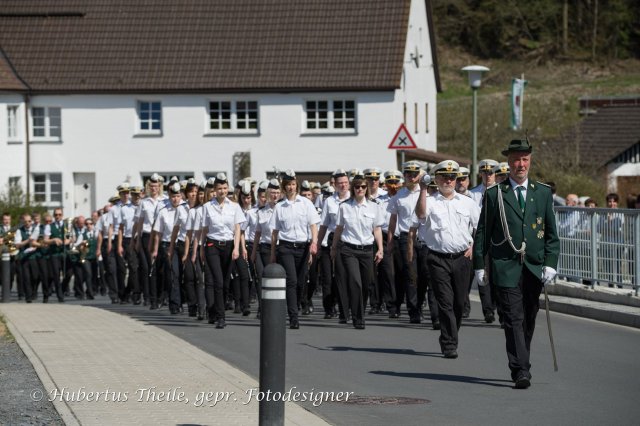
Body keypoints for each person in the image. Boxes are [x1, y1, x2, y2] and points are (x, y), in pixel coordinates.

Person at [473, 137, 559, 389]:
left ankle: (523, 360)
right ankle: (520, 369)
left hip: (534, 267)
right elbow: (482, 233)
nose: (520, 164)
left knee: (529, 318)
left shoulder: (542, 193)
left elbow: (552, 234)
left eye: (524, 159)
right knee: (512, 318)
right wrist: (480, 264)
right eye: (516, 160)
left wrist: (551, 262)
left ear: (530, 161)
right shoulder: (495, 194)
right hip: (505, 266)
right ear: (508, 163)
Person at [412, 160, 479, 358]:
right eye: (444, 177)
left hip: (462, 258)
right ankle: (449, 343)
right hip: (437, 258)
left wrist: (474, 247)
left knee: (459, 302)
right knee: (445, 302)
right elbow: (421, 214)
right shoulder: (430, 200)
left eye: (452, 177)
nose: (448, 181)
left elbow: (479, 228)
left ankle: (451, 332)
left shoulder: (468, 203)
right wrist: (423, 190)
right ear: (437, 179)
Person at [331, 172, 384, 329]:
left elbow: (377, 229)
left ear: (366, 188)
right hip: (349, 250)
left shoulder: (374, 206)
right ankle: (358, 318)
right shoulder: (345, 207)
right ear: (352, 189)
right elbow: (339, 229)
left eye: (363, 187)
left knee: (367, 284)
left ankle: (358, 309)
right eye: (357, 187)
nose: (360, 189)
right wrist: (334, 248)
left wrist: (380, 249)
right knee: (355, 283)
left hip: (367, 250)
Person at [270, 170, 320, 330]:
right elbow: (274, 232)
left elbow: (313, 225)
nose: (291, 187)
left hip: (303, 247)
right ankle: (293, 317)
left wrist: (314, 243)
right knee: (291, 281)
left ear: (296, 185)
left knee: (300, 282)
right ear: (284, 188)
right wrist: (273, 254)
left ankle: (296, 305)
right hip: (285, 247)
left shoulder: (306, 203)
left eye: (293, 184)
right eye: (288, 185)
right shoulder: (279, 207)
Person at [197, 173, 245, 328]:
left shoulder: (235, 207)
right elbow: (204, 229)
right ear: (214, 190)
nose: (222, 191)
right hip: (212, 245)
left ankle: (214, 310)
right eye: (219, 188)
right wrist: (201, 248)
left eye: (225, 188)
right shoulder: (207, 207)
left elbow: (237, 229)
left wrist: (236, 248)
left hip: (229, 245)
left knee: (224, 283)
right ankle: (221, 317)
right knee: (217, 281)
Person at [317, 169, 351, 323]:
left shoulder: (353, 199)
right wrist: (317, 244)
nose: (343, 185)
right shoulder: (329, 201)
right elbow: (323, 225)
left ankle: (342, 304)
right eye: (340, 183)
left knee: (342, 277)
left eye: (345, 182)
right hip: (328, 244)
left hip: (346, 244)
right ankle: (329, 308)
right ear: (335, 185)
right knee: (327, 278)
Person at [251, 179, 281, 319]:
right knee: (263, 277)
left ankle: (277, 308)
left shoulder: (283, 209)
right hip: (264, 248)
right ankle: (262, 307)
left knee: (277, 280)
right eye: (272, 193)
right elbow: (258, 233)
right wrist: (253, 251)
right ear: (268, 194)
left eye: (277, 192)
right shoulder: (261, 211)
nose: (275, 195)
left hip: (280, 248)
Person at [152, 182, 183, 314]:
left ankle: (184, 301)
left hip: (183, 244)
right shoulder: (163, 211)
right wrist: (155, 249)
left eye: (177, 196)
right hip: (168, 246)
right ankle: (174, 304)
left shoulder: (186, 209)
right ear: (169, 196)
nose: (175, 199)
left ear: (181, 196)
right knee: (173, 274)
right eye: (173, 196)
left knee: (184, 275)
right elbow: (158, 233)